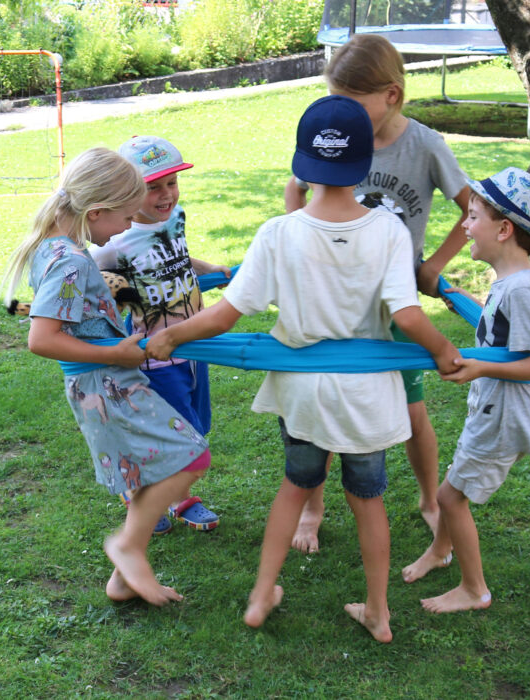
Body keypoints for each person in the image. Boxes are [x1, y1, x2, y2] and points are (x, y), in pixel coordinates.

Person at [146, 95, 461, 641]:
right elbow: (407, 314)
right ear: (364, 163)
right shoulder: (388, 230)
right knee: (368, 500)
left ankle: (263, 591)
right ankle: (379, 611)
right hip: (366, 397)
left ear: (301, 164)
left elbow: (225, 315)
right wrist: (442, 351)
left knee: (295, 486)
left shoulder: (279, 232)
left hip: (303, 396)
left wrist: (170, 334)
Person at [284, 33, 471, 553]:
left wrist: (433, 265)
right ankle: (312, 509)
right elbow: (297, 189)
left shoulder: (426, 145)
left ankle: (431, 501)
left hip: (396, 307)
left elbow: (472, 208)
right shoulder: (335, 137)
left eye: (351, 101)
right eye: (334, 99)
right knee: (320, 405)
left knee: (412, 412)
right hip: (333, 299)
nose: (339, 111)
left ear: (391, 94)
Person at [3, 147, 212, 606]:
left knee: (164, 465)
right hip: (105, 384)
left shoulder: (56, 248)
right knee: (191, 458)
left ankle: (122, 577)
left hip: (106, 382)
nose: (126, 226)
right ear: (95, 211)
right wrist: (116, 353)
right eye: (123, 216)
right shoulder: (71, 261)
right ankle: (128, 546)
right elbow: (42, 339)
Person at [401, 166, 530, 613]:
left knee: (450, 496)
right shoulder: (511, 283)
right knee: (455, 484)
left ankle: (475, 589)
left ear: (504, 229)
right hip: (493, 408)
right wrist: (451, 296)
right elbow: (504, 339)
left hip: (505, 415)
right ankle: (439, 550)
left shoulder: (523, 290)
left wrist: (476, 367)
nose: (465, 225)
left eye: (473, 217)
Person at [90, 136, 231, 533]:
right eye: (154, 187)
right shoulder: (111, 248)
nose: (166, 194)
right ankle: (165, 500)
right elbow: (100, 297)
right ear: (127, 193)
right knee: (181, 437)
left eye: (171, 183)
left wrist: (209, 270)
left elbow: (179, 258)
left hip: (193, 344)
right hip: (154, 355)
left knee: (196, 426)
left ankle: (142, 488)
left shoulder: (176, 217)